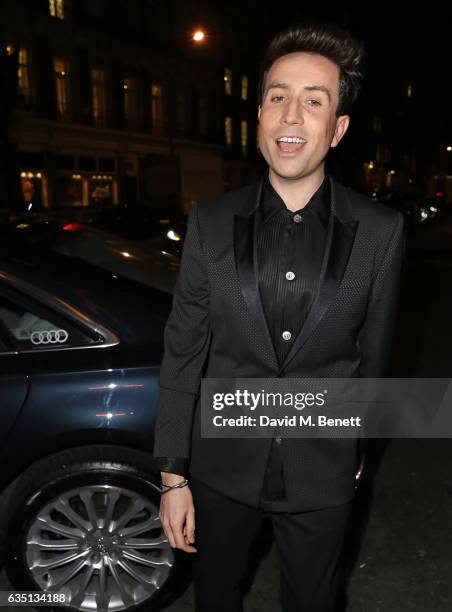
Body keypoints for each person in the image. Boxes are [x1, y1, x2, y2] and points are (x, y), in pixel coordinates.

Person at [153, 20, 404, 612]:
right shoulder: (209, 221)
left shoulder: (381, 232)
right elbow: (183, 351)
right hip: (219, 468)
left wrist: (354, 452)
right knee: (215, 597)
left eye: (313, 101)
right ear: (260, 117)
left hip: (323, 471)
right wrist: (173, 476)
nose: (292, 115)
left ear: (337, 129)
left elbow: (375, 360)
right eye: (277, 97)